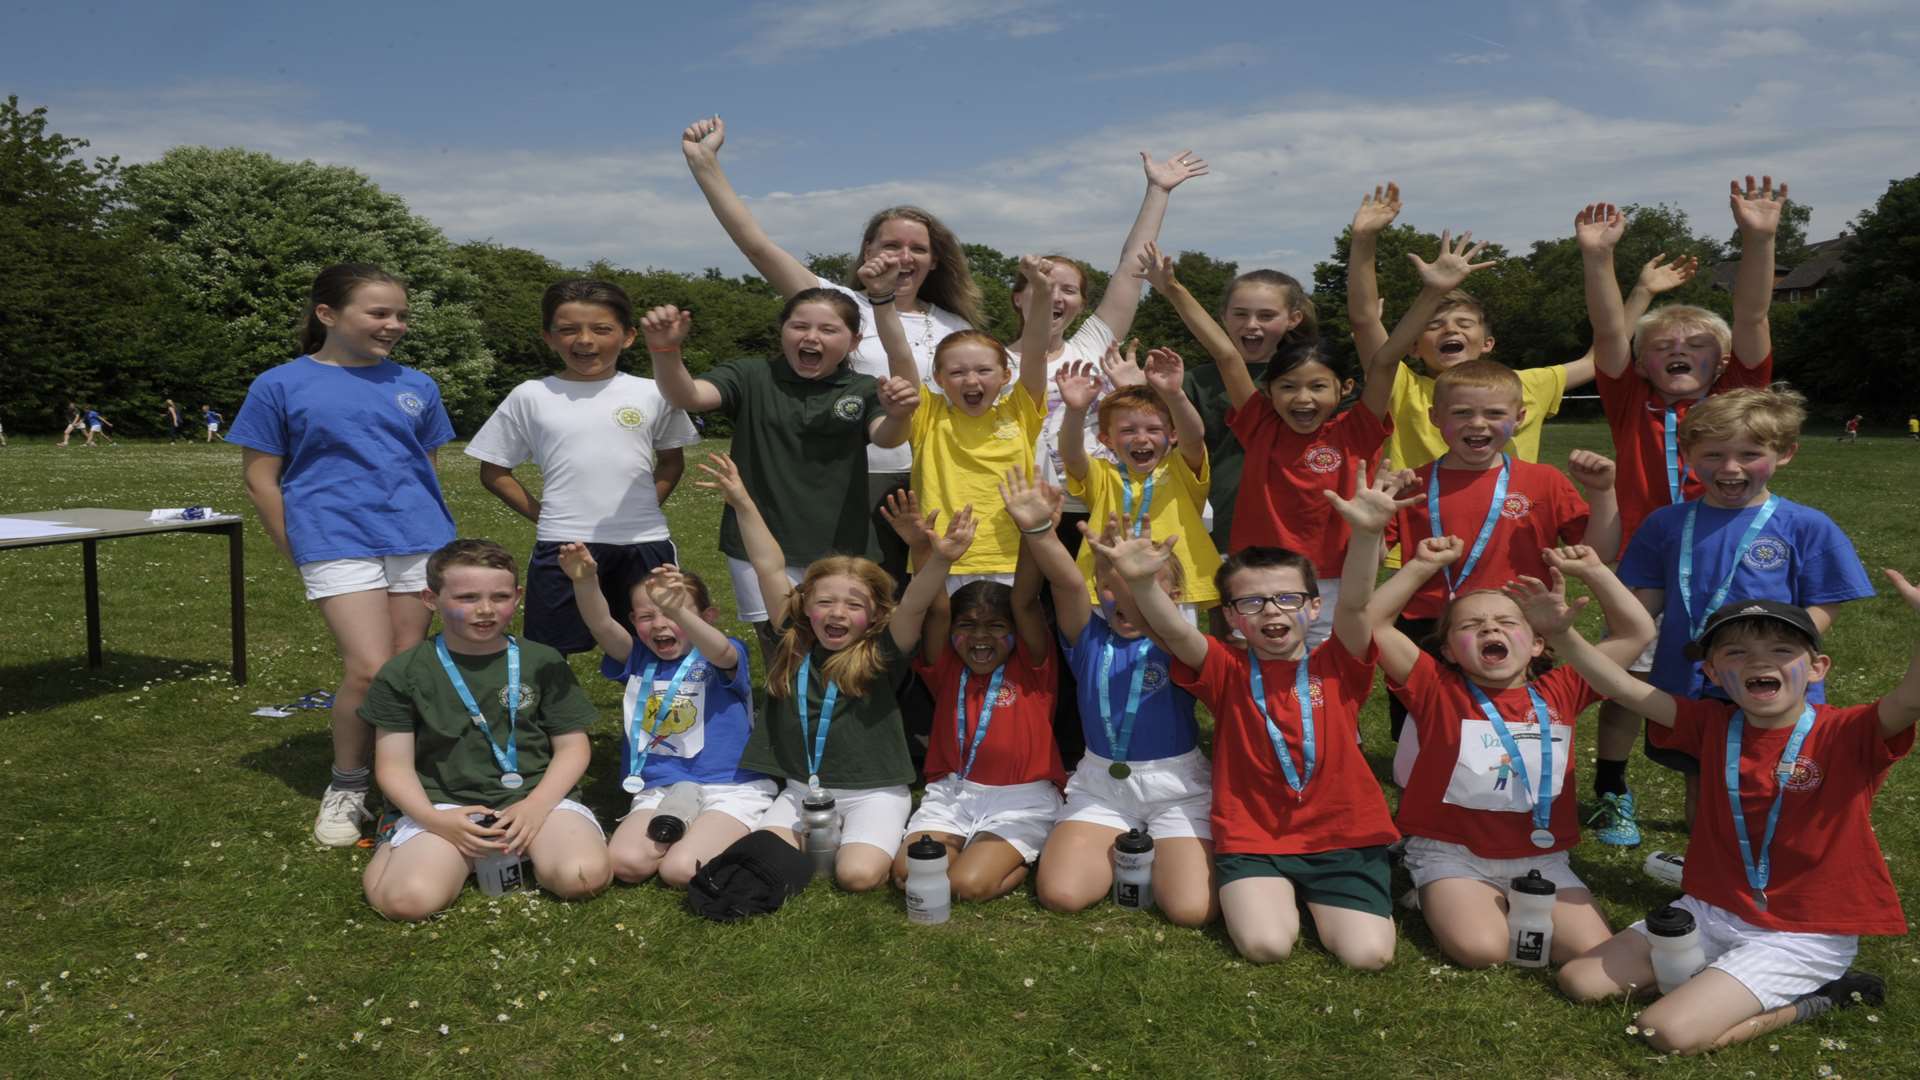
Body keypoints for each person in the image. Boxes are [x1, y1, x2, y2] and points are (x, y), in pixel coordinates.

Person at [1549, 590, 1917, 1055]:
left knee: (1663, 1031)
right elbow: (1624, 688)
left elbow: (1909, 701)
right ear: (1713, 673)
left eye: (1782, 650)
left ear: (1818, 668)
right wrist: (1561, 635)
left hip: (1803, 932)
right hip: (1713, 910)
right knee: (1579, 981)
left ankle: (1822, 997)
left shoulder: (1848, 733)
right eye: (1735, 653)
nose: (1757, 661)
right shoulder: (1711, 724)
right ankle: (1718, 979)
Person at [1099, 463, 1416, 968]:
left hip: (1344, 837)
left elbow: (1356, 606)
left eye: (1287, 599)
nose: (1271, 612)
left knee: (1368, 956)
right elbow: (1177, 634)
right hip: (1254, 838)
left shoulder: (1338, 662)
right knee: (1265, 946)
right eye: (1252, 602)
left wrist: (1367, 534)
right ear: (1231, 617)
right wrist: (1141, 583)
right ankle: (1282, 899)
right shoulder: (1225, 669)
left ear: (1313, 608)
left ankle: (1332, 899)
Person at [1346, 502, 1655, 969]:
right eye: (1471, 625)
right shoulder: (1436, 686)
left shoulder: (1565, 688)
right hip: (1453, 853)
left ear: (1536, 643)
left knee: (1593, 954)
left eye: (1507, 622)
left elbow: (1638, 630)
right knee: (1482, 951)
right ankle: (1431, 888)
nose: (1490, 627)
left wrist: (1594, 570)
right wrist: (1421, 565)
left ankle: (1484, 904)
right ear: (1449, 651)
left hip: (1542, 854)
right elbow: (1374, 622)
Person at [682, 115, 979, 584]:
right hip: (855, 478)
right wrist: (706, 166)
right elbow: (757, 246)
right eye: (890, 245)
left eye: (917, 249)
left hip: (932, 475)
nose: (904, 257)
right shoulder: (839, 305)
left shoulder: (955, 326)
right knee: (857, 599)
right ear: (866, 251)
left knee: (927, 600)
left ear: (934, 258)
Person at [1578, 185, 1786, 843]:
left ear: (1720, 363)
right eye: (1663, 342)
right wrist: (1598, 259)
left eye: (1695, 342)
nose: (1679, 348)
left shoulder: (1736, 398)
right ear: (1641, 363)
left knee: (1730, 676)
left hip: (1726, 561)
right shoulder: (1627, 398)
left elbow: (1751, 314)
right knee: (1627, 679)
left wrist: (1758, 238)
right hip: (1646, 564)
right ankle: (1611, 789)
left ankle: (1740, 790)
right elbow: (1610, 327)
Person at [228, 263, 458, 847]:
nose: (395, 325)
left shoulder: (418, 384)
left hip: (417, 538)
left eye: (402, 314)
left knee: (408, 667)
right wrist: (296, 545)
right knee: (368, 667)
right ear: (328, 315)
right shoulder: (279, 383)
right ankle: (349, 784)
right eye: (379, 313)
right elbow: (261, 478)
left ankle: (402, 783)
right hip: (334, 539)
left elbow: (425, 469)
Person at [703, 452, 971, 893]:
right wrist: (742, 502)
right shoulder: (793, 639)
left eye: (854, 604)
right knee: (759, 861)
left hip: (875, 791)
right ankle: (828, 842)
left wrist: (938, 558)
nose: (837, 613)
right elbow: (769, 565)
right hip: (800, 790)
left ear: (875, 614)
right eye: (825, 601)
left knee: (857, 876)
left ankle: (859, 839)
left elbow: (917, 603)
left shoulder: (884, 648)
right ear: (805, 605)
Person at [1614, 386, 1875, 827]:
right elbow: (1644, 605)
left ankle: (1770, 872)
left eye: (1749, 454)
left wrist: (1772, 650)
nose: (1730, 468)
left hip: (1771, 682)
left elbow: (1827, 601)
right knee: (1702, 777)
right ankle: (1705, 879)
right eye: (1713, 455)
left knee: (1775, 778)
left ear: (1785, 453)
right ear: (1689, 454)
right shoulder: (1665, 523)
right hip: (1688, 680)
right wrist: (1598, 586)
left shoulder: (1805, 524)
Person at [1139, 241, 1396, 647]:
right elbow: (1226, 355)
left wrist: (1379, 255)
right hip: (1252, 567)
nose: (1303, 398)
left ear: (1342, 388)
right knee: (1244, 674)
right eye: (1289, 387)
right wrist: (1171, 288)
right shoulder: (1262, 423)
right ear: (1270, 391)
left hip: (1330, 576)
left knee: (1323, 681)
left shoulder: (1351, 429)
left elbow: (1383, 361)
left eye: (1316, 387)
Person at [643, 296, 918, 661]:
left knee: (847, 648)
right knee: (782, 649)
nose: (812, 337)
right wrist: (666, 350)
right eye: (800, 326)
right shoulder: (750, 375)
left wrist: (899, 415)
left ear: (853, 341)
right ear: (783, 331)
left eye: (828, 329)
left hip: (843, 544)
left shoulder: (864, 388)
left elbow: (887, 436)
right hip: (758, 542)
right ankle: (784, 716)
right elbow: (688, 395)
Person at [359, 540, 612, 919]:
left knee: (583, 877)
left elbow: (573, 748)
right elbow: (393, 766)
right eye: (466, 597)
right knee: (406, 902)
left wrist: (536, 806)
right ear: (431, 599)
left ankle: (522, 850)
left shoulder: (542, 661)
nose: (485, 610)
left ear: (518, 596)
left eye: (500, 597)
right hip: (444, 807)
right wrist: (433, 820)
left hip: (534, 800)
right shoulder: (404, 672)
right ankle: (398, 842)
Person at [466, 279, 699, 654]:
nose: (585, 340)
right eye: (569, 330)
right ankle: (550, 713)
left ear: (627, 336)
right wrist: (545, 518)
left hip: (644, 543)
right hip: (564, 544)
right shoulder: (531, 395)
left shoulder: (655, 391)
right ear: (549, 337)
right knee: (549, 652)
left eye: (602, 329)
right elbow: (493, 471)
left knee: (658, 643)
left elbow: (671, 462)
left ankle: (656, 711)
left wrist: (641, 506)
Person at [1027, 505, 1217, 928]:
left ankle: (1152, 852)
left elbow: (1170, 628)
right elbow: (1064, 582)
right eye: (1110, 588)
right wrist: (1039, 530)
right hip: (1101, 788)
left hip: (1177, 788)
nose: (1122, 597)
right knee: (1062, 894)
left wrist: (1133, 580)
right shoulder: (1088, 636)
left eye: (1141, 584)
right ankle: (1125, 849)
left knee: (1191, 910)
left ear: (1174, 596)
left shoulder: (1183, 644)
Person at [882, 472, 1067, 902]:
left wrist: (1033, 531)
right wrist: (920, 546)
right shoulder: (946, 665)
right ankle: (972, 847)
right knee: (909, 876)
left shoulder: (1032, 667)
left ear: (1015, 633)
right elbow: (937, 610)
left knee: (965, 886)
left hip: (1021, 799)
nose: (981, 638)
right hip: (952, 795)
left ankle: (1021, 854)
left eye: (995, 627)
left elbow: (1024, 600)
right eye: (968, 627)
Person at [1010, 150, 1209, 547]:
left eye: (1069, 290)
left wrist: (1158, 191)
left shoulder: (1091, 347)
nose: (1056, 295)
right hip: (1025, 510)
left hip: (1102, 504)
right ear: (1018, 296)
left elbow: (1131, 270)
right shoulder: (987, 363)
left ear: (1082, 304)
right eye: (1045, 285)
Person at [559, 551, 772, 889]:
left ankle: (749, 832)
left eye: (674, 612)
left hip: (729, 786)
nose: (660, 624)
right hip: (661, 786)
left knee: (681, 870)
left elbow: (721, 652)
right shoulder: (637, 657)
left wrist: (678, 610)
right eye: (647, 616)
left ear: (708, 617)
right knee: (625, 863)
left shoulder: (725, 651)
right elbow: (601, 624)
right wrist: (584, 581)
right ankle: (695, 831)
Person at [1348, 184, 1593, 472]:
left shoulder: (1525, 385)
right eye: (1434, 325)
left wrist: (1602, 262)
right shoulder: (1402, 388)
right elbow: (1364, 321)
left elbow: (1600, 358)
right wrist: (1364, 239)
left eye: (1464, 323)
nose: (1450, 329)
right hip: (1420, 514)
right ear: (1412, 347)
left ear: (1488, 343)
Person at [869, 250, 1052, 589]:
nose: (971, 381)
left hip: (1012, 557)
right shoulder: (928, 414)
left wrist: (1041, 292)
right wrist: (882, 298)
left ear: (1005, 375)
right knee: (941, 642)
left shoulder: (1020, 411)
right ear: (938, 378)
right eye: (957, 372)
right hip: (941, 556)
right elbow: (899, 353)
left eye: (984, 370)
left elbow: (1037, 348)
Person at [1058, 353, 1222, 614]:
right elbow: (1071, 454)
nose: (1141, 438)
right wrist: (1076, 411)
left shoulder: (1181, 468)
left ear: (1172, 435)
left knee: (1175, 652)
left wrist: (1175, 395)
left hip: (1174, 588)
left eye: (1153, 429)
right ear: (1106, 439)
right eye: (1128, 430)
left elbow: (1194, 437)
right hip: (1109, 586)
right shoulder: (1102, 474)